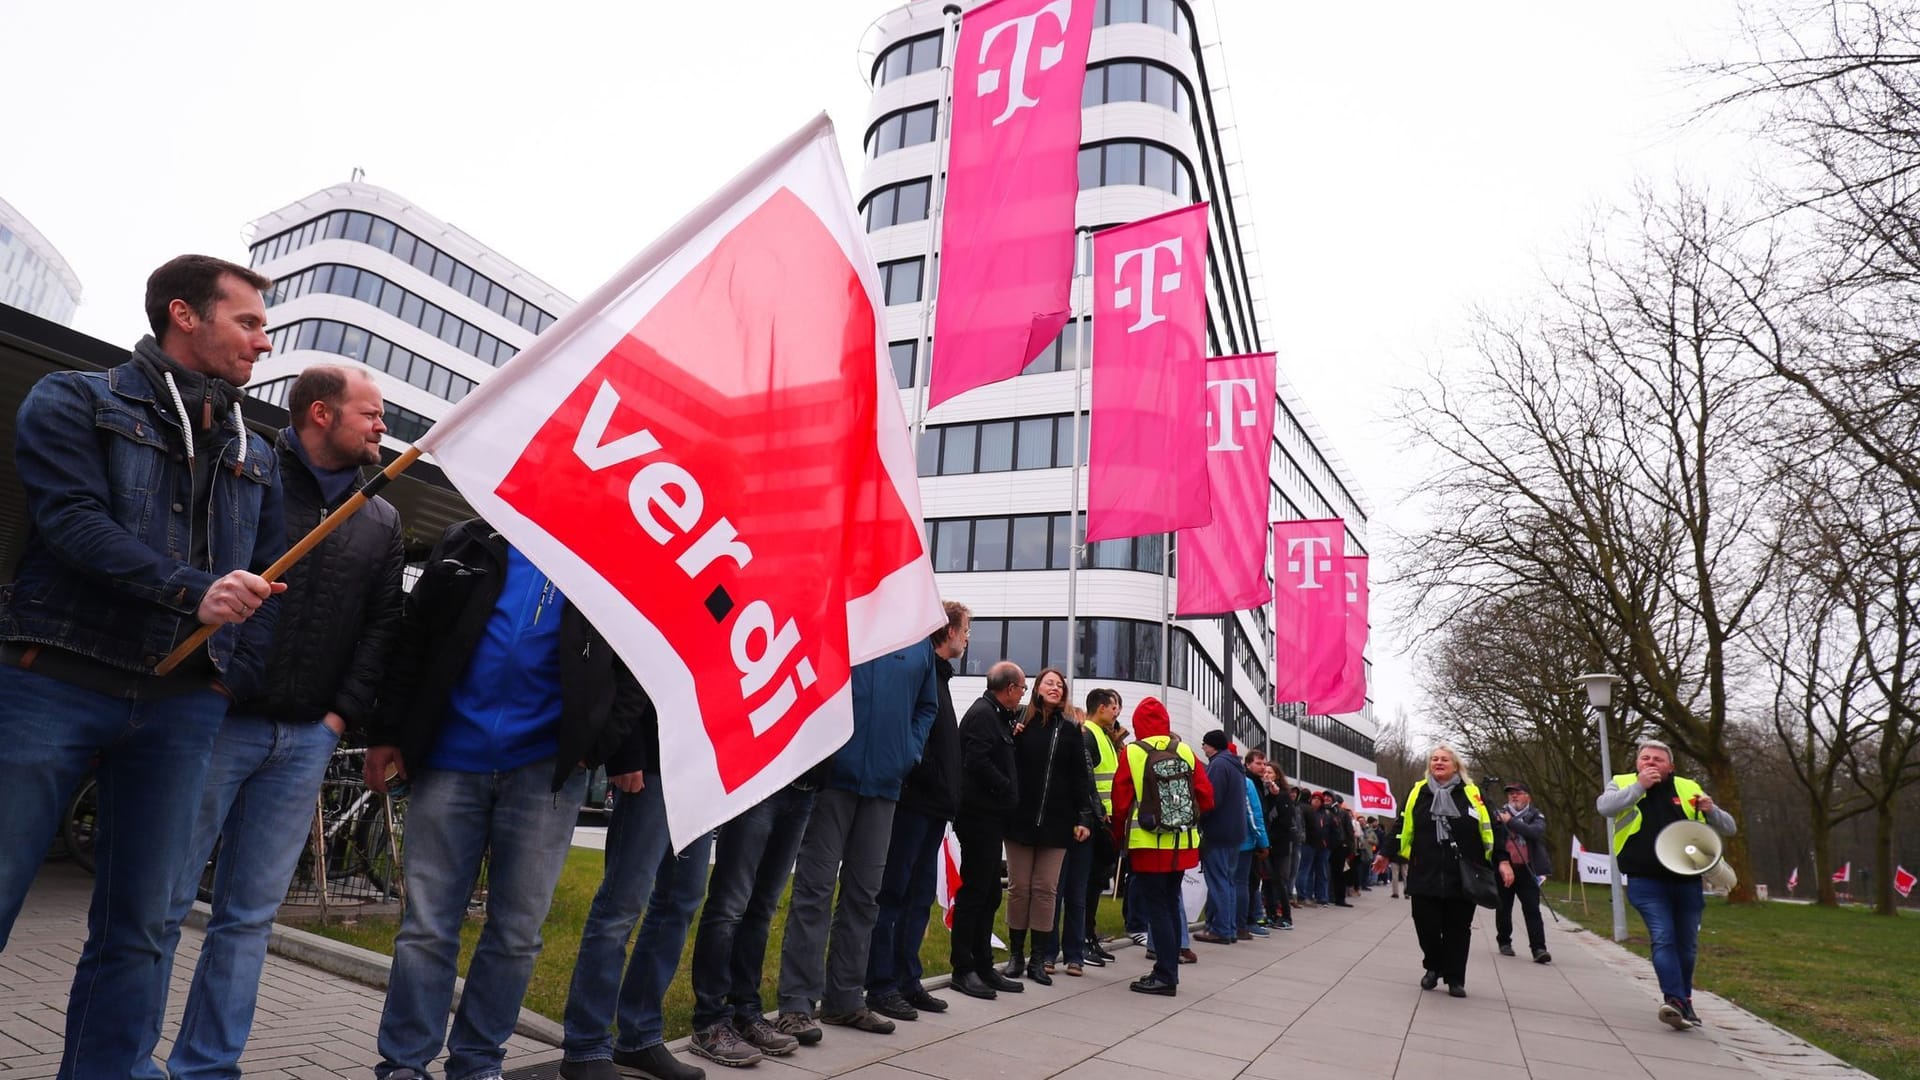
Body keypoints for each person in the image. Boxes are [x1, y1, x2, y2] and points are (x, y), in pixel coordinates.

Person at [0, 254, 284, 1078]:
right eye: (249, 322)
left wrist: (226, 672)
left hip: (180, 707)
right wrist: (190, 591)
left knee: (144, 928)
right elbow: (73, 522)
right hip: (53, 673)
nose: (264, 342)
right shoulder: (76, 398)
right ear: (184, 315)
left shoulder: (256, 450)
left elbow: (264, 582)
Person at [156, 365, 404, 1080]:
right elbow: (199, 570)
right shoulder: (245, 471)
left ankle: (206, 1068)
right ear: (321, 414)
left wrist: (336, 718)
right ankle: (123, 1058)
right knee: (161, 902)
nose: (382, 427)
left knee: (246, 920)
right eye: (373, 413)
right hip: (216, 721)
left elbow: (381, 627)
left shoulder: (381, 516)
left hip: (303, 741)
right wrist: (215, 683)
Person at [363, 522, 652, 1080]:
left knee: (517, 933)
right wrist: (385, 731)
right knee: (427, 925)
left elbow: (637, 663)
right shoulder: (468, 541)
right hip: (449, 759)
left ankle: (476, 1063)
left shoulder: (606, 554)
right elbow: (413, 640)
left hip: (545, 773)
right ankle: (404, 1063)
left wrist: (596, 744)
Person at [774, 640, 938, 1043]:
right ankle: (796, 1005)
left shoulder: (916, 639)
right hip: (833, 779)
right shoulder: (844, 616)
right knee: (815, 891)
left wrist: (907, 752)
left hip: (884, 784)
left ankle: (844, 999)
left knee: (865, 896)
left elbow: (926, 706)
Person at [864, 601, 970, 1020]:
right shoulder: (922, 674)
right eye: (964, 631)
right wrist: (919, 773)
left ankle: (908, 980)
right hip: (913, 804)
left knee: (919, 896)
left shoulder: (940, 679)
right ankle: (881, 984)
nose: (966, 639)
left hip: (934, 808)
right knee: (894, 893)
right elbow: (915, 737)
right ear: (947, 632)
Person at [1597, 740, 1737, 1030]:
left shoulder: (1688, 787)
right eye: (1645, 758)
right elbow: (1605, 807)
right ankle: (1673, 1000)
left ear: (1670, 766)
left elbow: (1729, 827)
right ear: (1637, 764)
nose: (1650, 763)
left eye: (1658, 759)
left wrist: (1712, 810)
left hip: (1685, 879)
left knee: (1687, 944)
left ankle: (1685, 1001)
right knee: (1663, 936)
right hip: (1644, 878)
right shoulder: (1622, 783)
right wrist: (1639, 787)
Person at [1109, 697, 1215, 997]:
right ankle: (1169, 969)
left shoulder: (1133, 752)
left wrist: (1119, 839)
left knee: (1157, 908)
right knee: (1170, 903)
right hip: (1183, 844)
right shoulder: (1184, 750)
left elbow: (1120, 802)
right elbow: (1206, 797)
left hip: (1148, 844)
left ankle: (1166, 974)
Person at [1000, 668, 1096, 983]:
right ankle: (1016, 955)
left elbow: (1081, 778)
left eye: (1060, 685)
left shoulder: (1071, 731)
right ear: (1037, 687)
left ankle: (1039, 958)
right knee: (1019, 889)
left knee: (1045, 890)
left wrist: (1083, 816)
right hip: (1020, 820)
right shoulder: (1019, 723)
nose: (1055, 688)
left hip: (1057, 825)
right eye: (1049, 683)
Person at [948, 662, 1026, 1001]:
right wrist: (1006, 788)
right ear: (1009, 689)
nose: (1023, 694)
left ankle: (982, 963)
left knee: (990, 893)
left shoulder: (996, 716)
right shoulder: (982, 715)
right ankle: (963, 968)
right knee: (976, 892)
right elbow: (976, 761)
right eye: (1022, 689)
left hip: (991, 817)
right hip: (978, 816)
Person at [1399, 746, 1500, 998]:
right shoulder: (1417, 792)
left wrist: (1503, 861)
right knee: (1426, 925)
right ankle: (1433, 966)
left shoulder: (1473, 794)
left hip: (1463, 873)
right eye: (1434, 759)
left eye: (1445, 759)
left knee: (1458, 928)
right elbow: (1402, 826)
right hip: (1425, 870)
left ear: (1456, 766)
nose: (1439, 762)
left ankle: (1455, 979)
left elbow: (1494, 829)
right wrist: (1385, 854)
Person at [1193, 730, 1248, 945]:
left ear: (1212, 746)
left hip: (1218, 831)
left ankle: (1221, 929)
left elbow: (1210, 799)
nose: (1203, 749)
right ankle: (1229, 928)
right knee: (1228, 881)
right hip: (1235, 832)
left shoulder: (1218, 765)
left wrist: (1199, 818)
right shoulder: (1236, 766)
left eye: (1204, 745)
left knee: (1218, 882)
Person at [1494, 780, 1554, 964]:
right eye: (1511, 793)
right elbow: (1495, 839)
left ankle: (1539, 948)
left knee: (1532, 909)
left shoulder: (1536, 815)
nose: (1514, 796)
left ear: (1528, 796)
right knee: (1504, 907)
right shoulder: (1497, 814)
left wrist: (1510, 821)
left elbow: (1533, 833)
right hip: (1505, 868)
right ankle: (1504, 941)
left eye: (1518, 792)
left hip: (1528, 869)